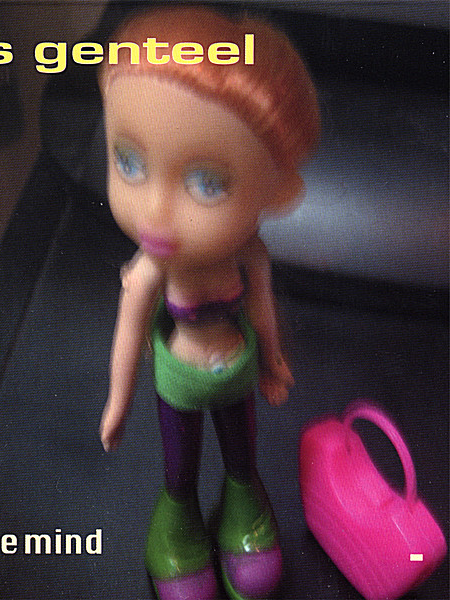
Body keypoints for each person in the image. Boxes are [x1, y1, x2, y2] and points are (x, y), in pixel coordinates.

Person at [98, 6, 320, 599]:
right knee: (180, 466)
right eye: (129, 162)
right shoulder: (151, 269)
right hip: (178, 381)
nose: (156, 213)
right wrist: (118, 403)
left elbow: (262, 311)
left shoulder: (249, 257)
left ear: (277, 189)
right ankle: (177, 524)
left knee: (241, 455)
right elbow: (129, 332)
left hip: (238, 373)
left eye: (207, 183)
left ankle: (244, 505)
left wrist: (273, 362)